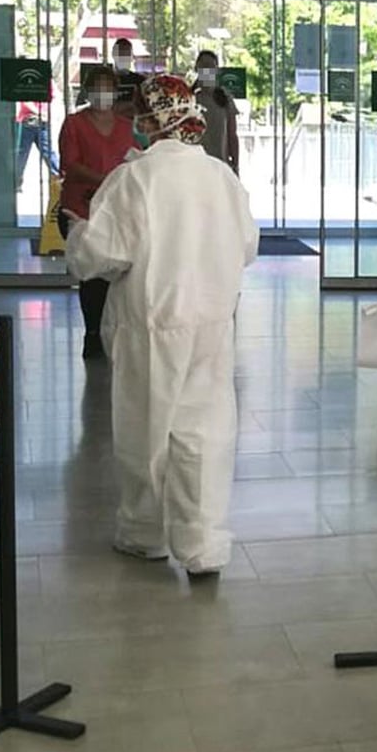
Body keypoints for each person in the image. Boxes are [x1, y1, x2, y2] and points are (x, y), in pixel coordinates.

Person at [64, 74, 258, 577]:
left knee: (146, 429)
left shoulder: (134, 179)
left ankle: (144, 532)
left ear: (152, 120)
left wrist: (77, 232)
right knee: (206, 430)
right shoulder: (221, 177)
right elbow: (248, 246)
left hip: (151, 321)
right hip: (212, 319)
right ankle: (203, 544)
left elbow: (102, 254)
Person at [58, 65, 137, 359]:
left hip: (116, 210)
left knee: (115, 273)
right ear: (88, 91)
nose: (103, 94)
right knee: (91, 274)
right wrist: (104, 181)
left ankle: (114, 331)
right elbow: (70, 163)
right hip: (81, 207)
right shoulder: (74, 124)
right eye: (98, 87)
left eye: (109, 87)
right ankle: (92, 333)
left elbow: (132, 162)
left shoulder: (126, 126)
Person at [193, 48, 240, 173]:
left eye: (210, 66)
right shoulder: (190, 99)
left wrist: (235, 165)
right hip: (195, 165)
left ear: (216, 70)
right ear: (197, 69)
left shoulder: (225, 99)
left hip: (220, 165)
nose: (207, 70)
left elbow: (232, 135)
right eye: (203, 66)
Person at [111, 37, 144, 120]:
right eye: (121, 53)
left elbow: (143, 108)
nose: (124, 57)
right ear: (114, 55)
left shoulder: (140, 81)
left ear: (132, 57)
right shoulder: (103, 79)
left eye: (127, 54)